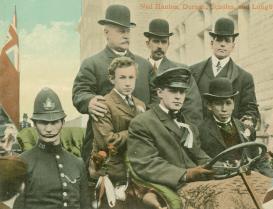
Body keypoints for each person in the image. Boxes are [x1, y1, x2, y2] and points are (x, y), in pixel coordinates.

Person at [127, 68, 271, 208]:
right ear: (160, 93)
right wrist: (186, 174)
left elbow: (200, 156)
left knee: (256, 184)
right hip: (175, 184)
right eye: (172, 91)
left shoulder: (188, 124)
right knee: (225, 196)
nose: (178, 96)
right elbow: (146, 164)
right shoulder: (143, 122)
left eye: (182, 91)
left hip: (198, 181)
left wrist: (226, 168)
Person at [72, 4, 153, 162]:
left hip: (142, 146)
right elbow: (79, 92)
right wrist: (89, 101)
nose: (126, 35)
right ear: (106, 32)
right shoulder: (92, 63)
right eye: (120, 30)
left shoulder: (144, 65)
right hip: (106, 146)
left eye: (128, 31)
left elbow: (157, 97)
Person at [89, 57, 164, 209]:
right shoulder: (104, 104)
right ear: (112, 79)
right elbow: (108, 141)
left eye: (131, 77)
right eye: (122, 77)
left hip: (137, 175)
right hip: (112, 175)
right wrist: (137, 131)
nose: (128, 83)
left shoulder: (140, 104)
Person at [14, 88, 90, 209]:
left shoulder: (77, 163)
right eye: (43, 122)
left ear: (63, 122)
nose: (49, 129)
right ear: (34, 124)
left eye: (54, 122)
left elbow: (86, 206)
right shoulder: (22, 163)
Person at [190, 17, 259, 128]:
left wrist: (247, 121)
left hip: (228, 138)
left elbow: (249, 109)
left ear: (233, 46)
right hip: (198, 136)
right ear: (212, 43)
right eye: (219, 40)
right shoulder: (194, 72)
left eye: (227, 41)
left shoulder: (244, 77)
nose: (222, 44)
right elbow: (188, 105)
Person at [198, 78, 273, 177]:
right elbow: (201, 162)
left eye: (228, 103)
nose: (224, 109)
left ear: (233, 104)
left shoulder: (247, 129)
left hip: (248, 178)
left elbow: (259, 160)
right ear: (209, 106)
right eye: (218, 104)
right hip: (219, 180)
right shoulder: (200, 131)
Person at [144, 18, 203, 126]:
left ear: (168, 44)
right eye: (156, 41)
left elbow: (193, 108)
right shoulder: (138, 69)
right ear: (148, 43)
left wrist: (187, 132)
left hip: (173, 130)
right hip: (144, 128)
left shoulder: (181, 71)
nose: (160, 46)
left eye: (164, 42)